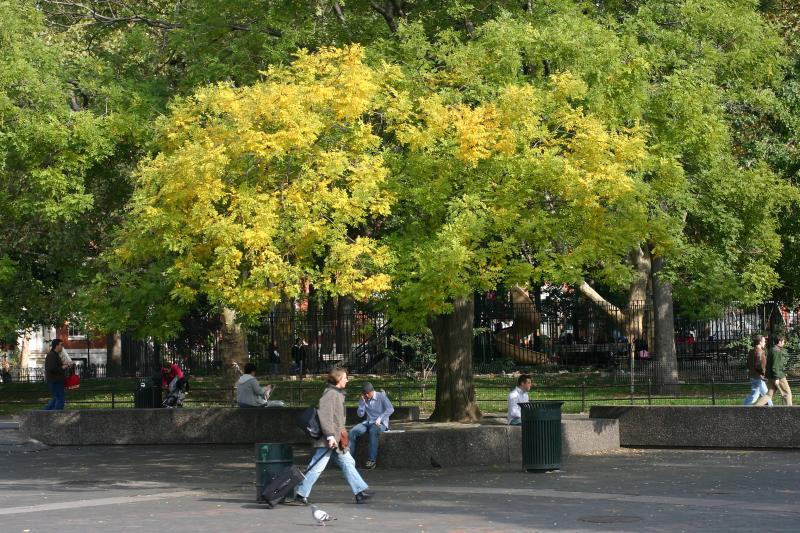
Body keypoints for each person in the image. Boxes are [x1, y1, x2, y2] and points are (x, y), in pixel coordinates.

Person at [293, 367, 372, 505]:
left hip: (336, 439)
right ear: (338, 379)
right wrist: (329, 436)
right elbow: (325, 416)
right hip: (329, 439)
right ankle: (301, 493)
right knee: (317, 466)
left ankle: (359, 492)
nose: (347, 380)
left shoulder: (336, 393)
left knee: (348, 463)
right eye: (345, 377)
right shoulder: (330, 394)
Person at [348, 382, 394, 469]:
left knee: (373, 431)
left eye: (367, 395)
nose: (366, 396)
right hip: (368, 422)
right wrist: (361, 403)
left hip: (381, 423)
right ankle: (349, 461)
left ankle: (371, 460)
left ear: (370, 392)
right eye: (364, 395)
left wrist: (380, 418)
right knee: (352, 432)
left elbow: (390, 409)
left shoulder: (381, 396)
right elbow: (360, 415)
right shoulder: (364, 399)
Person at [755, 336, 793, 406]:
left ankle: (754, 409)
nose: (784, 343)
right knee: (787, 393)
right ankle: (789, 412)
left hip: (771, 376)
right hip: (778, 376)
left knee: (769, 395)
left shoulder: (772, 350)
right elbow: (775, 366)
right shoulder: (776, 351)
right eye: (783, 342)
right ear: (780, 342)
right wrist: (776, 378)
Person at [743, 335, 771, 406]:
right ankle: (772, 410)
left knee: (754, 394)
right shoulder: (760, 351)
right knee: (767, 395)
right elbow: (758, 365)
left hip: (753, 376)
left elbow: (748, 364)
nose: (765, 343)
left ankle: (744, 407)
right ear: (760, 342)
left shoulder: (751, 351)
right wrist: (763, 374)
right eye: (764, 341)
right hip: (759, 377)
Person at [43, 339, 67, 410]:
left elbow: (56, 368)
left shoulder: (55, 355)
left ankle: (44, 414)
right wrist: (63, 367)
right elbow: (52, 369)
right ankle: (57, 416)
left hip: (57, 381)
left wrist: (65, 367)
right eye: (61, 345)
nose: (62, 347)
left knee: (55, 399)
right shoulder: (51, 355)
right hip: (55, 381)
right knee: (60, 399)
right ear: (56, 346)